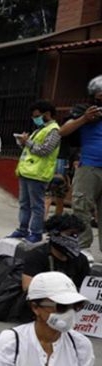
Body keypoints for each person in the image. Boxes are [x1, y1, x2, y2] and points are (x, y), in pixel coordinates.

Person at [6, 101, 61, 243]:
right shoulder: (40, 129)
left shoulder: (54, 130)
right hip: (26, 172)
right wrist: (22, 142)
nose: (35, 118)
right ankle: (22, 229)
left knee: (36, 205)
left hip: (38, 174)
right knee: (24, 203)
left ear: (47, 114)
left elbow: (45, 150)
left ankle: (36, 233)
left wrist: (28, 142)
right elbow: (30, 151)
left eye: (37, 115)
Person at [62, 75, 102, 254]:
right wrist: (85, 119)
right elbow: (63, 131)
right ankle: (83, 247)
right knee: (81, 206)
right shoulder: (83, 110)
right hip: (90, 166)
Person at [21, 214, 91, 293]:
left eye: (77, 235)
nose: (74, 239)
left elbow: (85, 290)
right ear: (54, 234)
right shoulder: (36, 256)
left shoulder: (81, 260)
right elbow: (27, 289)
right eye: (70, 234)